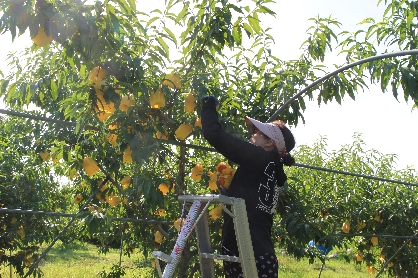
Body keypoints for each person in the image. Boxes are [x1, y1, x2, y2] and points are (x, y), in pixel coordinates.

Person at [201, 95, 296, 278]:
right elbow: (252, 199)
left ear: (269, 143)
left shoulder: (260, 158)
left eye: (258, 133)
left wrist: (209, 107)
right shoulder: (273, 170)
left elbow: (214, 135)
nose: (253, 135)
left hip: (244, 251)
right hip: (261, 254)